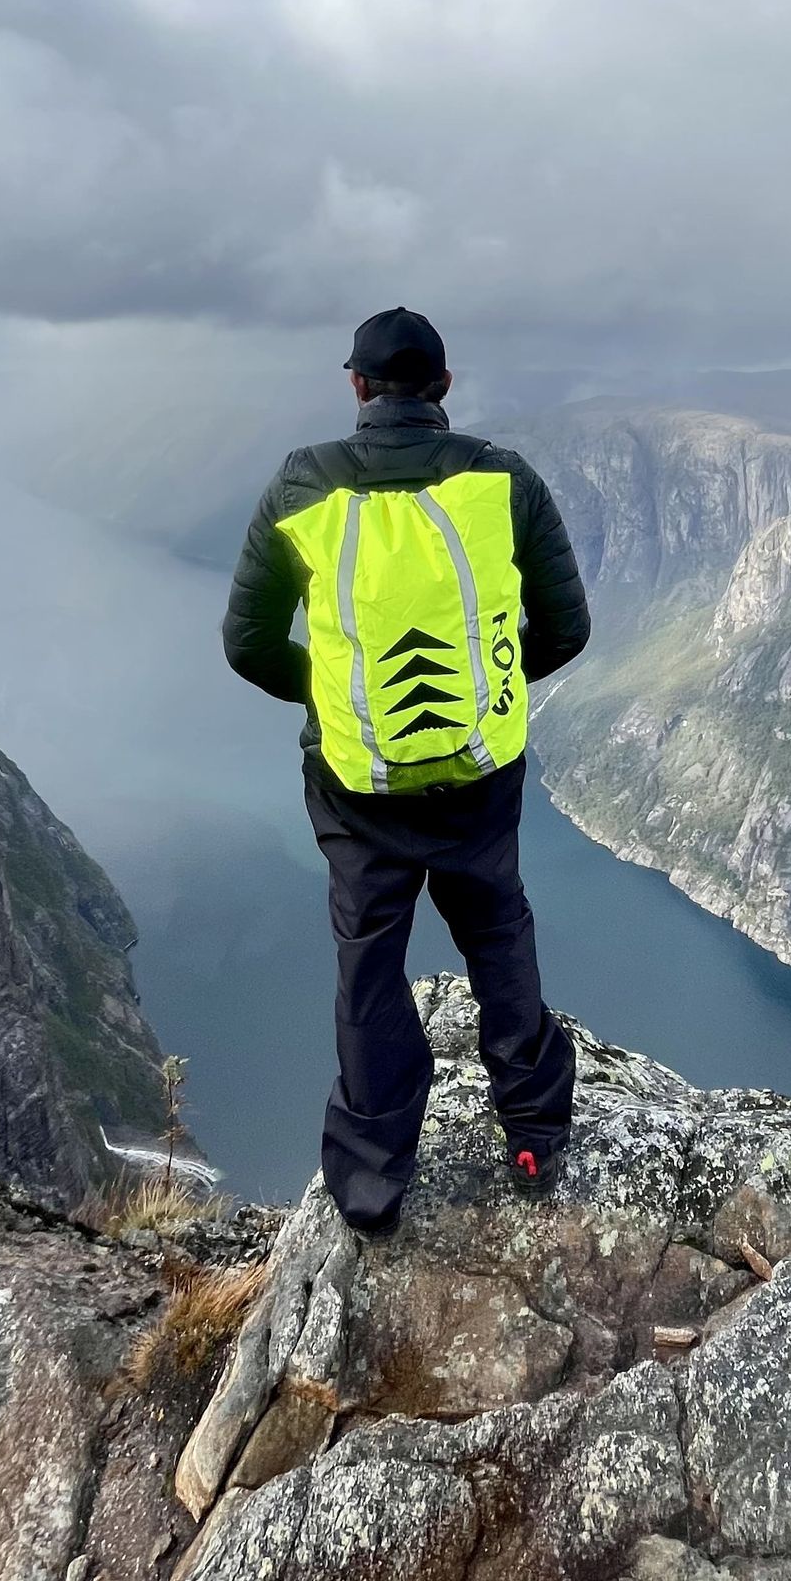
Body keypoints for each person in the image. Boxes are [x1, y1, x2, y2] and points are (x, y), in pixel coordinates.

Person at [222, 306, 591, 1236]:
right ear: (443, 388)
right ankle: (534, 1137)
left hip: (357, 783)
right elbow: (568, 626)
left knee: (371, 965)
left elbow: (246, 643)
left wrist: (334, 697)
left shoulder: (299, 486)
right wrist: (492, 686)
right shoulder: (502, 480)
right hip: (480, 771)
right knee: (497, 930)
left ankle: (373, 1181)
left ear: (356, 388)